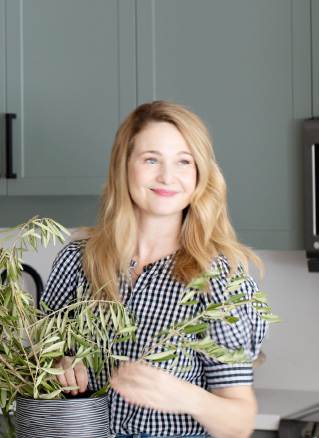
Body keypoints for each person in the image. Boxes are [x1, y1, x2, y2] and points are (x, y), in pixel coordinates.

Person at [40, 101, 268, 438]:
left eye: (183, 162)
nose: (166, 177)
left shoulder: (220, 280)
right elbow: (37, 359)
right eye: (151, 159)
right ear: (124, 166)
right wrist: (57, 365)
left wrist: (186, 397)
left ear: (199, 174)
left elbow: (239, 423)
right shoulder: (78, 259)